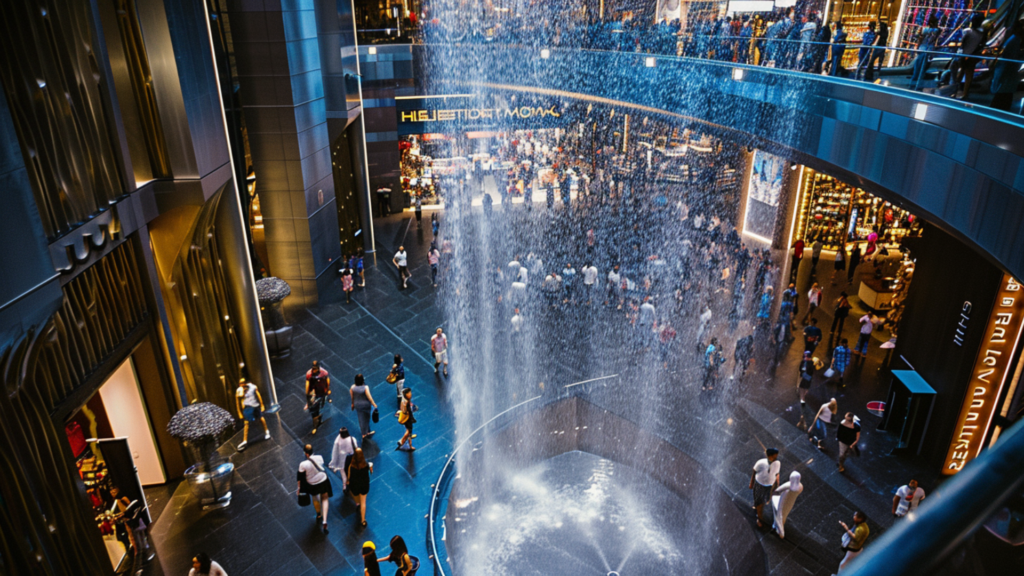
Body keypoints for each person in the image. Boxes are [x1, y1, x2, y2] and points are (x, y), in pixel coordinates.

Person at [297, 443, 332, 534]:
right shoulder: (320, 457)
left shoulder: (303, 464)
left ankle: (319, 514)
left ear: (306, 454)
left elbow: (300, 478)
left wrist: (299, 488)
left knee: (315, 498)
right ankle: (325, 521)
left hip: (312, 484)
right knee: (324, 498)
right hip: (323, 480)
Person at [989, 20, 1024, 111]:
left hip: (1007, 72)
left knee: (1004, 95)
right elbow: (1013, 57)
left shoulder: (1015, 39)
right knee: (1003, 96)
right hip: (1007, 72)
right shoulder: (1015, 40)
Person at [235, 377, 269, 451]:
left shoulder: (252, 387)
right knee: (246, 423)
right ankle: (245, 440)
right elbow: (237, 402)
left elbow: (258, 395)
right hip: (247, 408)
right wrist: (239, 412)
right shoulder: (239, 391)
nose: (242, 384)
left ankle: (266, 431)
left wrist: (262, 405)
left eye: (243, 382)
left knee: (260, 418)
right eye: (240, 383)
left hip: (255, 406)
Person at [750, 447, 781, 529]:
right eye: (774, 456)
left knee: (763, 501)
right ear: (769, 455)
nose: (775, 458)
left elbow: (777, 473)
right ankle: (759, 519)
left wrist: (777, 484)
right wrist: (751, 483)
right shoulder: (760, 463)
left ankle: (757, 506)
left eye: (776, 456)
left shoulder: (777, 463)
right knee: (760, 502)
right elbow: (754, 472)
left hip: (768, 485)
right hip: (760, 484)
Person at [910, 16, 940, 91]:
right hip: (929, 51)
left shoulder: (924, 29)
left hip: (922, 49)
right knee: (923, 69)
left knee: (917, 68)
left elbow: (920, 39)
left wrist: (917, 47)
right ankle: (919, 85)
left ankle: (913, 84)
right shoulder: (936, 30)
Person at [772, 471, 803, 539]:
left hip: (782, 502)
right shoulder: (800, 486)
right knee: (784, 515)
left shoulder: (788, 485)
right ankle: (779, 528)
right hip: (790, 503)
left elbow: (778, 490)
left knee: (778, 513)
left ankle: (778, 529)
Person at [347, 448, 373, 527]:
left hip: (355, 486)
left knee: (356, 497)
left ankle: (357, 503)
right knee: (363, 503)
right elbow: (371, 472)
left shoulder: (351, 466)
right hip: (364, 486)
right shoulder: (366, 465)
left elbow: (349, 478)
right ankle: (363, 520)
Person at [305, 361, 331, 435]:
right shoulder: (309, 374)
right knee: (314, 411)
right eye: (313, 368)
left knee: (321, 406)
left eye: (316, 369)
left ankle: (320, 417)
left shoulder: (324, 372)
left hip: (322, 392)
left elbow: (327, 380)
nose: (314, 370)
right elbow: (307, 385)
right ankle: (315, 426)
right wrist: (308, 395)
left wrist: (328, 389)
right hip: (314, 393)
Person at [350, 374, 377, 440]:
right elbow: (369, 397)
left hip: (358, 405)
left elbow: (352, 397)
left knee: (361, 419)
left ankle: (364, 433)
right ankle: (366, 432)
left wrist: (353, 404)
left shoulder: (352, 387)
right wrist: (374, 404)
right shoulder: (365, 387)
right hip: (366, 405)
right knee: (366, 418)